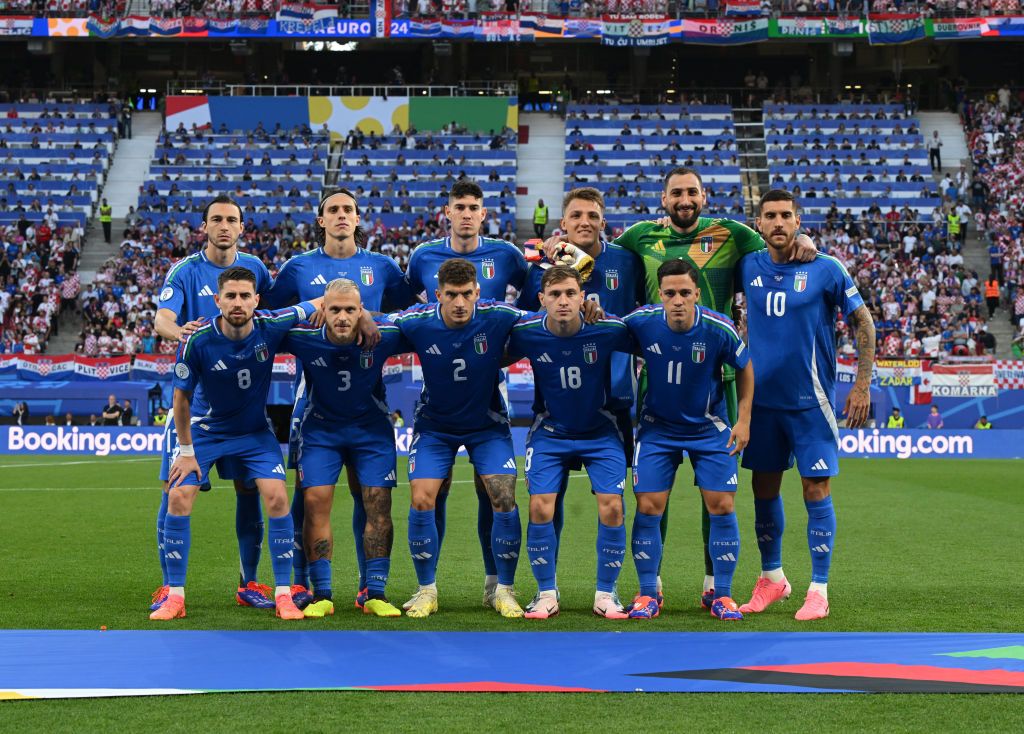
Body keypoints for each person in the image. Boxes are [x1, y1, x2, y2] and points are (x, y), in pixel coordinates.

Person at [576, 167, 816, 609]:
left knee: (717, 494)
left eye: (691, 192)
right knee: (653, 496)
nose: (684, 200)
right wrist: (562, 247)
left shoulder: (734, 233)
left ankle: (713, 584)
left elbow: (776, 242)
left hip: (716, 382)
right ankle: (654, 585)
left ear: (704, 196)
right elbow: (596, 250)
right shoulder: (639, 236)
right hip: (656, 384)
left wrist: (804, 242)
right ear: (663, 198)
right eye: (675, 193)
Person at [264, 188, 414, 610]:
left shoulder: (382, 266)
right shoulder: (298, 267)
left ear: (359, 217)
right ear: (321, 219)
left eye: (348, 209)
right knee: (310, 495)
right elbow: (271, 318)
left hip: (370, 388)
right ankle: (309, 587)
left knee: (370, 497)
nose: (342, 216)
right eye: (334, 210)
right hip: (314, 390)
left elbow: (408, 318)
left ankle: (372, 587)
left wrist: (368, 316)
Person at [151, 266, 320, 621]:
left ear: (257, 300)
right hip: (206, 430)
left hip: (254, 433)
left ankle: (284, 594)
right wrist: (185, 452)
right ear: (218, 300)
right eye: (231, 296)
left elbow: (319, 301)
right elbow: (180, 400)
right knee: (179, 495)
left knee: (276, 496)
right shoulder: (197, 340)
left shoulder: (271, 325)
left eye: (245, 296)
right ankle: (175, 597)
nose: (238, 302)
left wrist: (361, 315)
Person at [736, 189, 875, 621]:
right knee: (763, 491)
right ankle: (773, 578)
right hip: (761, 405)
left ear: (799, 221)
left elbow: (863, 321)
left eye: (786, 216)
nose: (778, 222)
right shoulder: (747, 265)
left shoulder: (825, 268)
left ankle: (818, 588)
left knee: (816, 489)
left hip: (810, 403)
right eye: (770, 216)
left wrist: (862, 385)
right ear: (758, 224)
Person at [403, 180, 528, 610]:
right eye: (461, 207)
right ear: (448, 212)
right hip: (435, 419)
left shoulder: (505, 271)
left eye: (475, 207)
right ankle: (426, 589)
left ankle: (501, 587)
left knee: (499, 493)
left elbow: (537, 311)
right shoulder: (422, 267)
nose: (468, 213)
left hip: (487, 412)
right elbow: (391, 319)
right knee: (424, 495)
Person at [151, 195, 275, 613]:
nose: (224, 226)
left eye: (232, 220)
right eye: (217, 219)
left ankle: (249, 581)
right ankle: (170, 586)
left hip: (243, 407)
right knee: (176, 491)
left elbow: (270, 318)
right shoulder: (185, 271)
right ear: (204, 226)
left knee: (249, 491)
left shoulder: (255, 270)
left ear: (242, 227)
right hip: (195, 405)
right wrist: (180, 333)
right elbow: (162, 319)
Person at [623, 259, 753, 622]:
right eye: (670, 293)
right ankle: (648, 592)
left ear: (697, 293)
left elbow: (745, 368)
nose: (677, 300)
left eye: (684, 293)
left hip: (708, 427)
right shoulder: (640, 322)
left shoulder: (717, 328)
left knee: (722, 506)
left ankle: (722, 595)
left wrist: (743, 420)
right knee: (648, 506)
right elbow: (606, 337)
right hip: (657, 428)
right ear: (660, 295)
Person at [521, 187, 641, 565]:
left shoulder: (627, 260)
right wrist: (544, 259)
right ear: (563, 223)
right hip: (555, 397)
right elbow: (527, 313)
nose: (584, 222)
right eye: (576, 216)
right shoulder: (544, 265)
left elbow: (647, 310)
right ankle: (547, 582)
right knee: (546, 497)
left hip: (614, 398)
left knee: (616, 498)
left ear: (603, 222)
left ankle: (631, 584)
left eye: (592, 215)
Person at [507, 266, 632, 620]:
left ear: (583, 297)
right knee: (540, 507)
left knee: (612, 507)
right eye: (555, 294)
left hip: (600, 430)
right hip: (551, 431)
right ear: (542, 299)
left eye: (570, 294)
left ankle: (606, 594)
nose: (563, 301)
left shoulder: (607, 330)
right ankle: (546, 593)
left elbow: (653, 339)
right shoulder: (526, 332)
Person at [281, 278, 407, 618]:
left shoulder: (385, 335)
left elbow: (423, 318)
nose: (342, 317)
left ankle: (375, 594)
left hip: (372, 431)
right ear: (322, 308)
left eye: (351, 309)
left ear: (360, 309)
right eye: (334, 309)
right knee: (315, 502)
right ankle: (322, 594)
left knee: (377, 504)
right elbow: (262, 322)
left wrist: (372, 315)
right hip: (321, 430)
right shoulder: (302, 337)